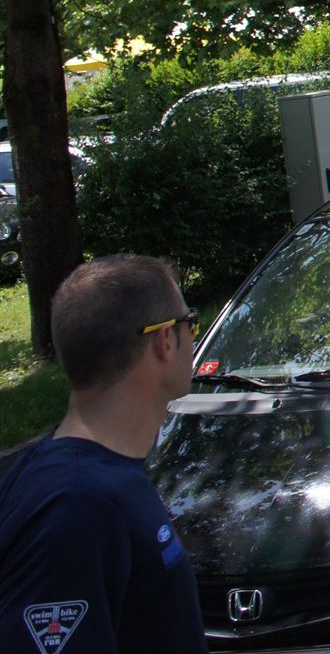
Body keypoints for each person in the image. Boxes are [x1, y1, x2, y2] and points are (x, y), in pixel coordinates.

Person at [0, 255, 206, 654]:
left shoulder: (86, 479)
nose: (193, 336)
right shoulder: (77, 505)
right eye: (190, 323)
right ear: (165, 340)